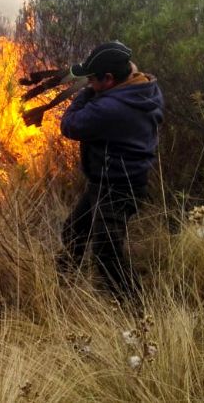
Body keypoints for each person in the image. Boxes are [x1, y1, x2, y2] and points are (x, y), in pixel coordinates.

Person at [58, 41, 164, 300]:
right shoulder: (145, 88)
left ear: (109, 79)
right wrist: (96, 88)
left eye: (92, 79)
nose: (89, 83)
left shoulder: (110, 108)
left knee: (107, 254)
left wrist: (84, 94)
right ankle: (61, 285)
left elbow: (70, 125)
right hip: (116, 180)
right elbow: (127, 71)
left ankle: (136, 312)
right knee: (74, 231)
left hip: (116, 186)